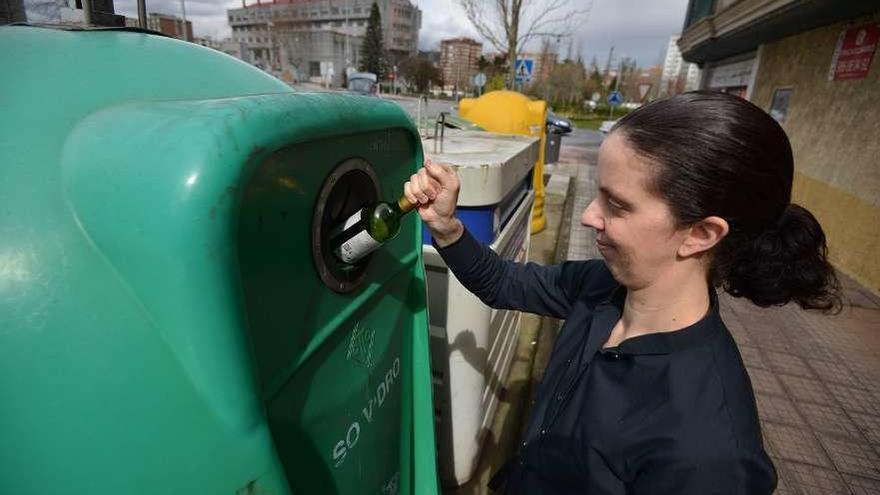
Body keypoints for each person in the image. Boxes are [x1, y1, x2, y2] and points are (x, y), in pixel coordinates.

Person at [404, 91, 841, 494]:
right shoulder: (602, 287)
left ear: (701, 234)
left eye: (617, 204)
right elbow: (503, 283)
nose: (590, 216)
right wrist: (447, 228)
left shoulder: (710, 452)